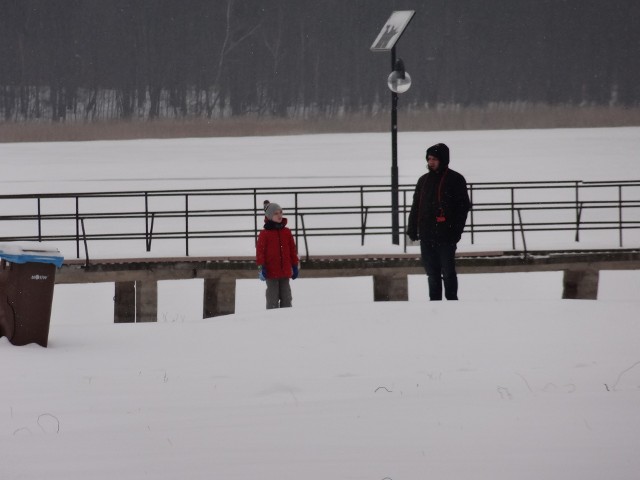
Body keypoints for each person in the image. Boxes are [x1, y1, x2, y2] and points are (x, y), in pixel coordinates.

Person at [407, 143, 471, 300]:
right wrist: (412, 228)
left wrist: (456, 232)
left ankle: (451, 302)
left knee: (448, 272)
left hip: (446, 236)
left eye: (434, 159)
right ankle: (434, 303)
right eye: (429, 159)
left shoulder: (456, 179)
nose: (431, 162)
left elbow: (463, 208)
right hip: (427, 235)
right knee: (432, 274)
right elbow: (416, 206)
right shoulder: (423, 181)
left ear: (443, 160)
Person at [256, 200, 300, 309]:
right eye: (276, 213)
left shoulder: (287, 232)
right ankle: (272, 321)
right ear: (270, 216)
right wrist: (261, 267)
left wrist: (294, 265)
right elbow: (260, 253)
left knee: (287, 298)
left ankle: (286, 320)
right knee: (272, 299)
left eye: (280, 212)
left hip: (285, 272)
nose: (279, 215)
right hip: (271, 273)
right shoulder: (264, 234)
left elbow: (292, 250)